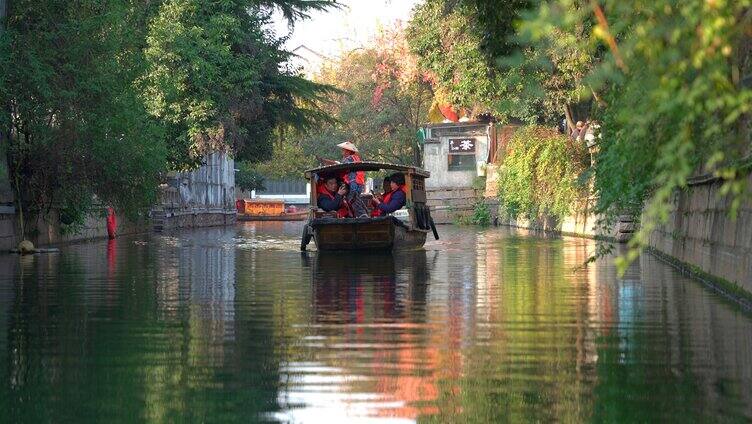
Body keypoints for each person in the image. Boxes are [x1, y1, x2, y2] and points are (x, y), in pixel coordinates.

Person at [336, 141, 368, 217]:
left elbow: (342, 168)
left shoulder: (348, 159)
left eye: (343, 150)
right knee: (355, 199)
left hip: (353, 183)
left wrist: (337, 164)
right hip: (359, 184)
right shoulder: (356, 158)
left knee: (352, 200)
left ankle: (362, 216)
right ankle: (362, 214)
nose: (342, 151)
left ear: (348, 151)